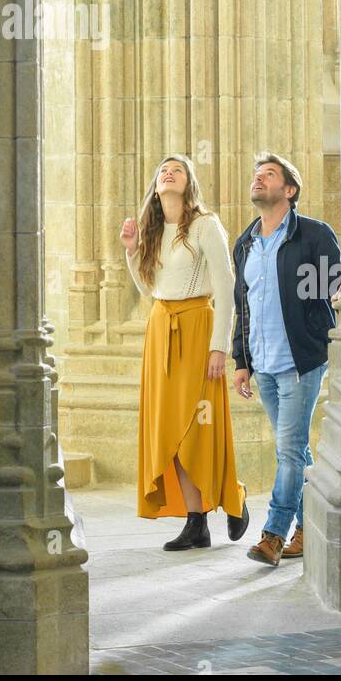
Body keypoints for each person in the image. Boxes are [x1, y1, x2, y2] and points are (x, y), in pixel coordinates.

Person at [121, 154, 250, 550]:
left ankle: (233, 497)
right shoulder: (153, 231)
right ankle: (196, 522)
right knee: (169, 430)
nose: (168, 172)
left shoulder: (205, 225)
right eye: (163, 169)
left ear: (188, 181)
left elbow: (227, 289)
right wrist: (130, 251)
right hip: (161, 328)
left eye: (177, 169)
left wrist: (220, 348)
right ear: (156, 187)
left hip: (197, 327)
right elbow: (150, 290)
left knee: (200, 426)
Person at [231, 152, 341, 567]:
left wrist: (319, 327)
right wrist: (241, 359)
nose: (259, 179)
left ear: (289, 191)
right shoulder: (245, 243)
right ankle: (311, 530)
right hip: (264, 363)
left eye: (269, 175)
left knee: (289, 450)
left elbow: (333, 286)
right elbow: (244, 306)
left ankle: (273, 535)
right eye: (256, 174)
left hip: (301, 360)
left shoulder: (313, 234)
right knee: (294, 450)